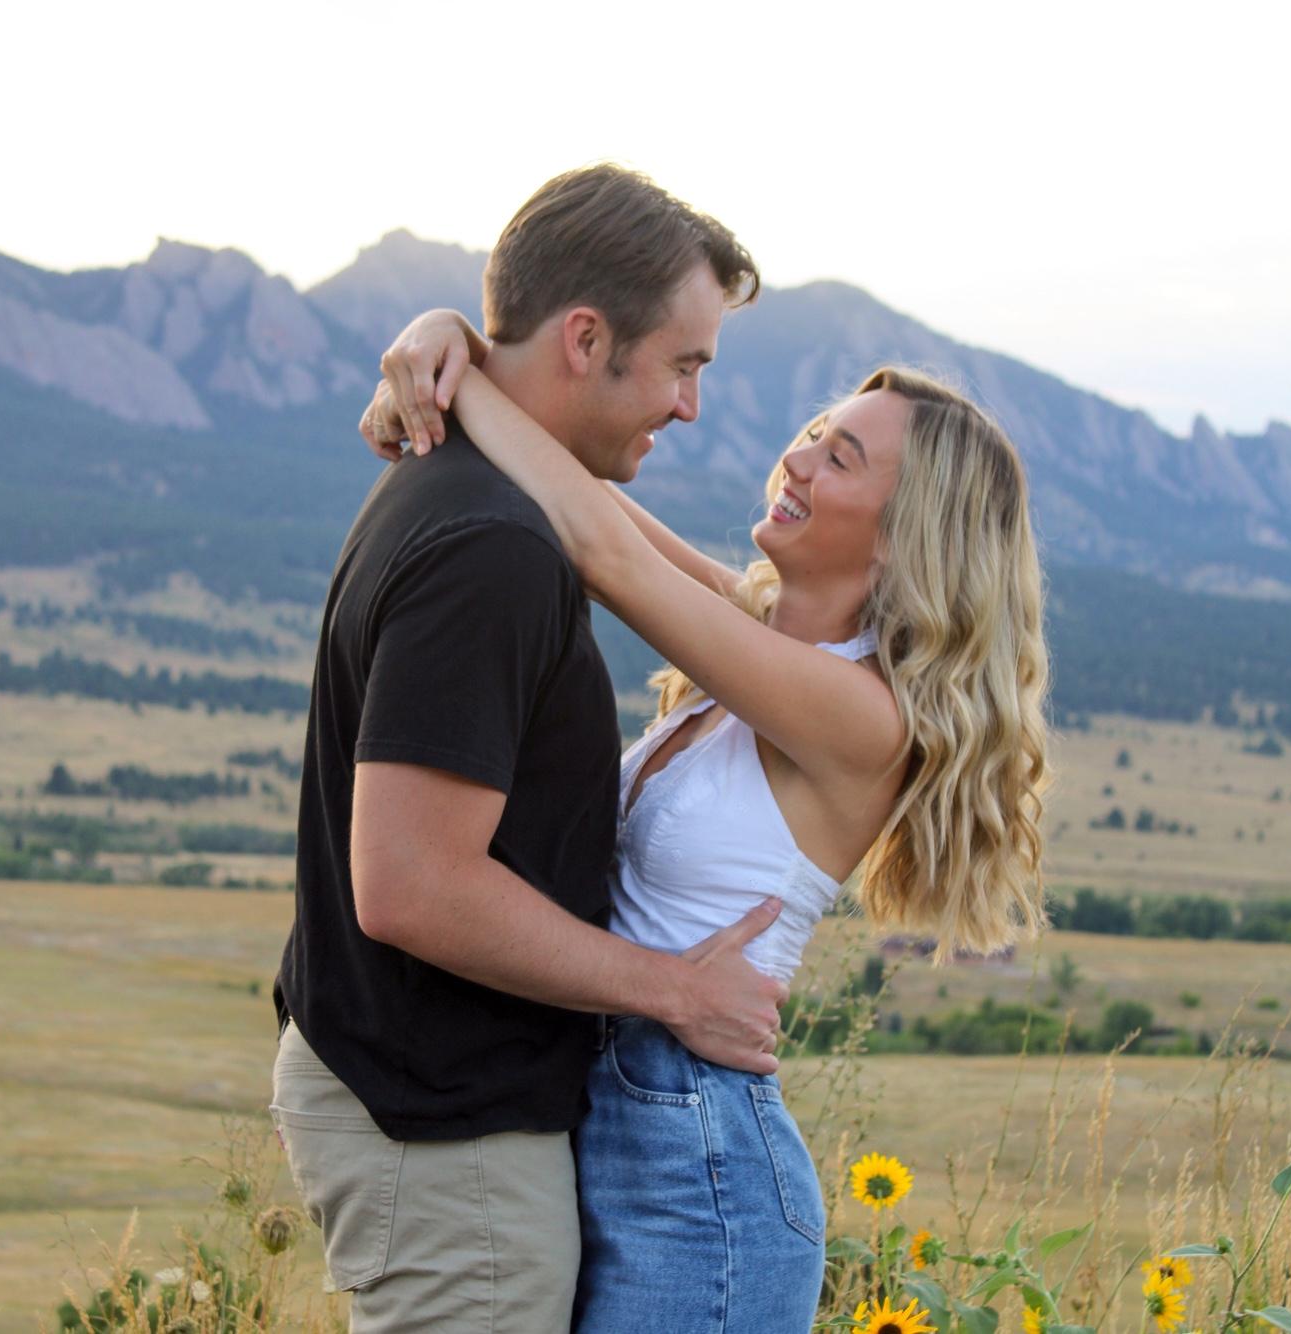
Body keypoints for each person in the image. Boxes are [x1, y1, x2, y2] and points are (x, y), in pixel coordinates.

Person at [361, 314, 1052, 1330]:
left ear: (906, 533)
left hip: (703, 1179)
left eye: (840, 457)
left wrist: (455, 381)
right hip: (616, 1117)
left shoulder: (862, 715)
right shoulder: (756, 636)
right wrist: (450, 335)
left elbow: (601, 549)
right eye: (813, 433)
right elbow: (583, 497)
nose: (797, 459)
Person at [271, 164, 791, 1334]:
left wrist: (461, 351)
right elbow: (411, 884)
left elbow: (628, 553)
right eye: (682, 364)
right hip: (440, 1128)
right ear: (586, 337)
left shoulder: (475, 491)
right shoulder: (490, 545)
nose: (689, 405)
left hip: (428, 1102)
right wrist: (673, 988)